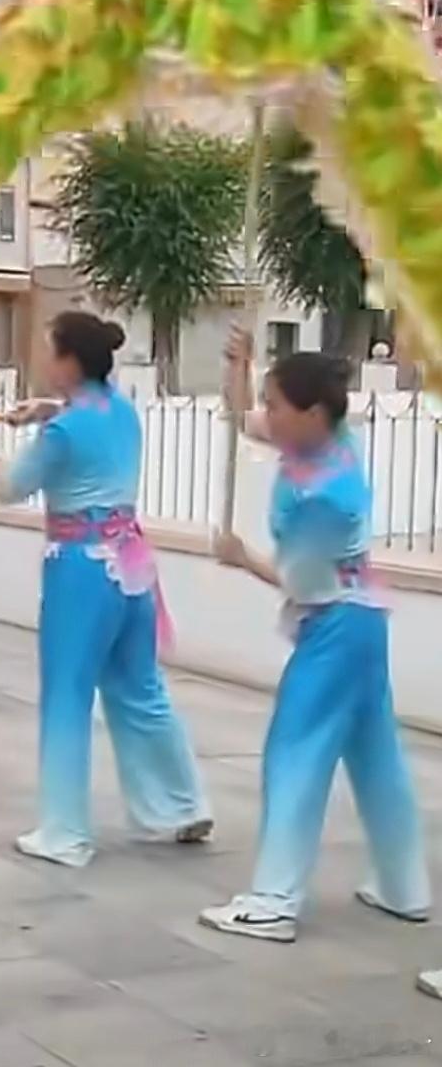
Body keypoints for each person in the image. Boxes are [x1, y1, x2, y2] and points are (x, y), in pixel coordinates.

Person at [0, 311, 211, 868]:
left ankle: (64, 832)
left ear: (70, 362)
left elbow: (6, 487)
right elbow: (80, 419)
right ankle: (181, 805)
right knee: (141, 687)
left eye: (48, 351)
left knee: (68, 696)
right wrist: (43, 411)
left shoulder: (63, 432)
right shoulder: (119, 409)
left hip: (80, 570)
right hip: (131, 565)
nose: (42, 361)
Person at [199, 334, 430, 943]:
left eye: (276, 405)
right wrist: (240, 370)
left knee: (294, 753)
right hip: (362, 622)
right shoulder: (332, 445)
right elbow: (240, 418)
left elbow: (303, 584)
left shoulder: (323, 497)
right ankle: (403, 886)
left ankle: (274, 900)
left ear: (312, 414)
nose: (266, 416)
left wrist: (240, 556)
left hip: (335, 626)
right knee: (376, 758)